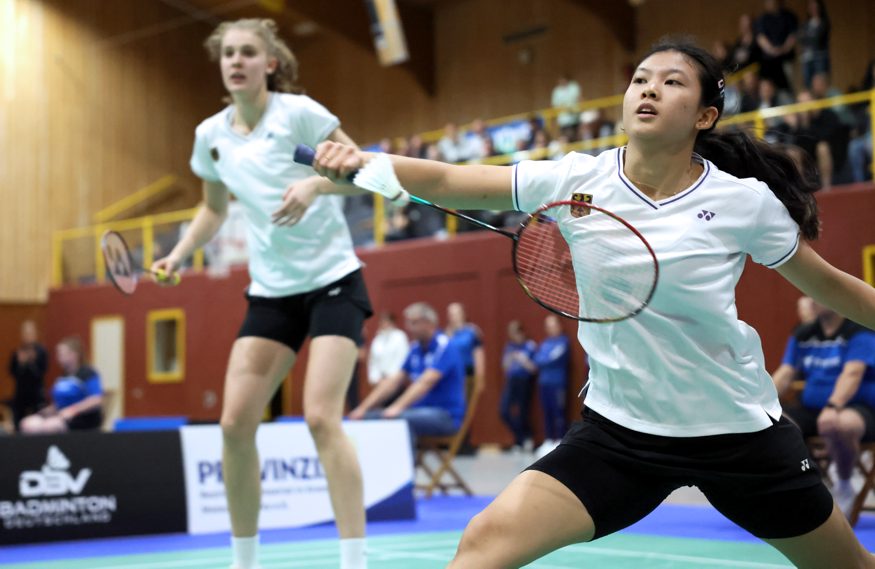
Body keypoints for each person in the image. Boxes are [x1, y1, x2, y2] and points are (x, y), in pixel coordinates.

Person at [299, 36, 875, 569]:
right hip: (620, 434)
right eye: (641, 79)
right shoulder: (578, 178)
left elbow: (830, 286)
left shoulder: (742, 202)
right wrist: (364, 166)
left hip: (735, 432)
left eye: (672, 82)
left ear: (705, 116)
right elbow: (450, 181)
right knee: (483, 542)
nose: (649, 89)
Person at [151, 18, 373, 569]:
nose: (236, 61)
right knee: (233, 425)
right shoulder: (211, 136)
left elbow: (361, 168)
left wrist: (314, 183)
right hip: (272, 291)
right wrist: (179, 254)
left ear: (269, 63)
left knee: (321, 417)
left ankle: (354, 560)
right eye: (228, 53)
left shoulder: (299, 114)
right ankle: (244, 561)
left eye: (248, 52)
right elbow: (213, 208)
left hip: (333, 281)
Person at [772, 301, 875, 518]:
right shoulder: (803, 333)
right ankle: (807, 483)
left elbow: (853, 373)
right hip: (812, 410)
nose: (811, 300)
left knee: (837, 424)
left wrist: (833, 405)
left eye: (816, 295)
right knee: (773, 421)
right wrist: (760, 403)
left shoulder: (859, 330)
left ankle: (844, 483)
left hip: (857, 408)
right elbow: (786, 373)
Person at [350, 302, 466, 440]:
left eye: (414, 323)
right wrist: (362, 409)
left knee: (396, 420)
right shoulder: (415, 349)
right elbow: (393, 382)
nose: (409, 327)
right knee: (367, 418)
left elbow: (425, 382)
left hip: (445, 415)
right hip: (417, 411)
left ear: (429, 323)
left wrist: (396, 407)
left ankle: (405, 455)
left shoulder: (445, 346)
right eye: (408, 322)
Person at [20, 336, 103, 434]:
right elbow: (60, 404)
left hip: (83, 419)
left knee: (50, 426)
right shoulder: (63, 376)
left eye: (62, 354)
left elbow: (96, 400)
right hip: (61, 416)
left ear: (73, 355)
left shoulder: (88, 373)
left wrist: (73, 410)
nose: (58, 357)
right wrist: (49, 410)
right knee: (28, 424)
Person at [533, 315, 570, 459]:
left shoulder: (563, 342)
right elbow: (538, 360)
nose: (551, 328)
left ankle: (560, 440)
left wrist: (544, 359)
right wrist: (544, 359)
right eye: (548, 326)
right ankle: (548, 440)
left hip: (557, 383)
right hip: (544, 383)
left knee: (558, 412)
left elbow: (550, 359)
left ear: (559, 326)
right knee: (546, 412)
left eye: (553, 325)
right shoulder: (545, 343)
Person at [500, 320, 537, 452]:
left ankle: (525, 438)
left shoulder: (529, 346)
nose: (514, 336)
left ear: (522, 332)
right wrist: (511, 358)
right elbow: (505, 367)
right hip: (511, 381)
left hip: (524, 381)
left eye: (516, 332)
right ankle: (519, 437)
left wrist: (522, 359)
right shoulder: (510, 347)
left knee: (522, 412)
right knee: (504, 411)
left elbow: (533, 368)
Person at [7, 320, 47, 432]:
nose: (28, 335)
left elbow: (42, 372)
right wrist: (21, 364)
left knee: (37, 423)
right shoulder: (18, 352)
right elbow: (12, 372)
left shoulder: (41, 352)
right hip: (21, 393)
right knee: (18, 422)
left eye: (30, 332)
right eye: (25, 333)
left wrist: (32, 362)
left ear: (35, 334)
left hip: (36, 393)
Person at [754, 0, 798, 93]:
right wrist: (772, 50)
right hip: (769, 61)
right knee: (770, 87)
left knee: (789, 84)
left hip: (786, 59)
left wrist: (783, 49)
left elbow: (793, 35)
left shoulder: (788, 16)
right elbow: (760, 38)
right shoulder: (763, 19)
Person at [798, 0, 830, 90]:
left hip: (820, 56)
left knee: (821, 82)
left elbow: (818, 39)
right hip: (807, 57)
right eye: (811, 7)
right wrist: (811, 37)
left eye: (815, 7)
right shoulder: (806, 24)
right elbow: (800, 38)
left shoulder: (824, 22)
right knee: (807, 84)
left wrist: (807, 37)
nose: (813, 9)